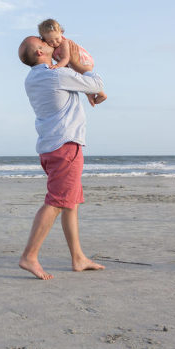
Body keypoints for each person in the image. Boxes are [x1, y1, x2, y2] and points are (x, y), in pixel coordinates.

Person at [16, 34, 107, 280]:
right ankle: (29, 256)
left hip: (50, 147)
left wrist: (65, 61)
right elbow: (96, 83)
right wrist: (80, 65)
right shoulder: (56, 75)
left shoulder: (33, 78)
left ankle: (78, 257)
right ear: (39, 53)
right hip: (66, 146)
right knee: (57, 202)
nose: (52, 43)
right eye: (45, 43)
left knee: (70, 203)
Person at [37, 18, 107, 106]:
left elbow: (66, 58)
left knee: (83, 75)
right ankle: (90, 93)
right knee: (78, 79)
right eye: (50, 41)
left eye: (57, 38)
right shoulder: (52, 49)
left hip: (81, 60)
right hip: (69, 64)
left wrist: (57, 66)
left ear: (61, 32)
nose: (55, 42)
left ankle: (102, 94)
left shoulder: (64, 43)